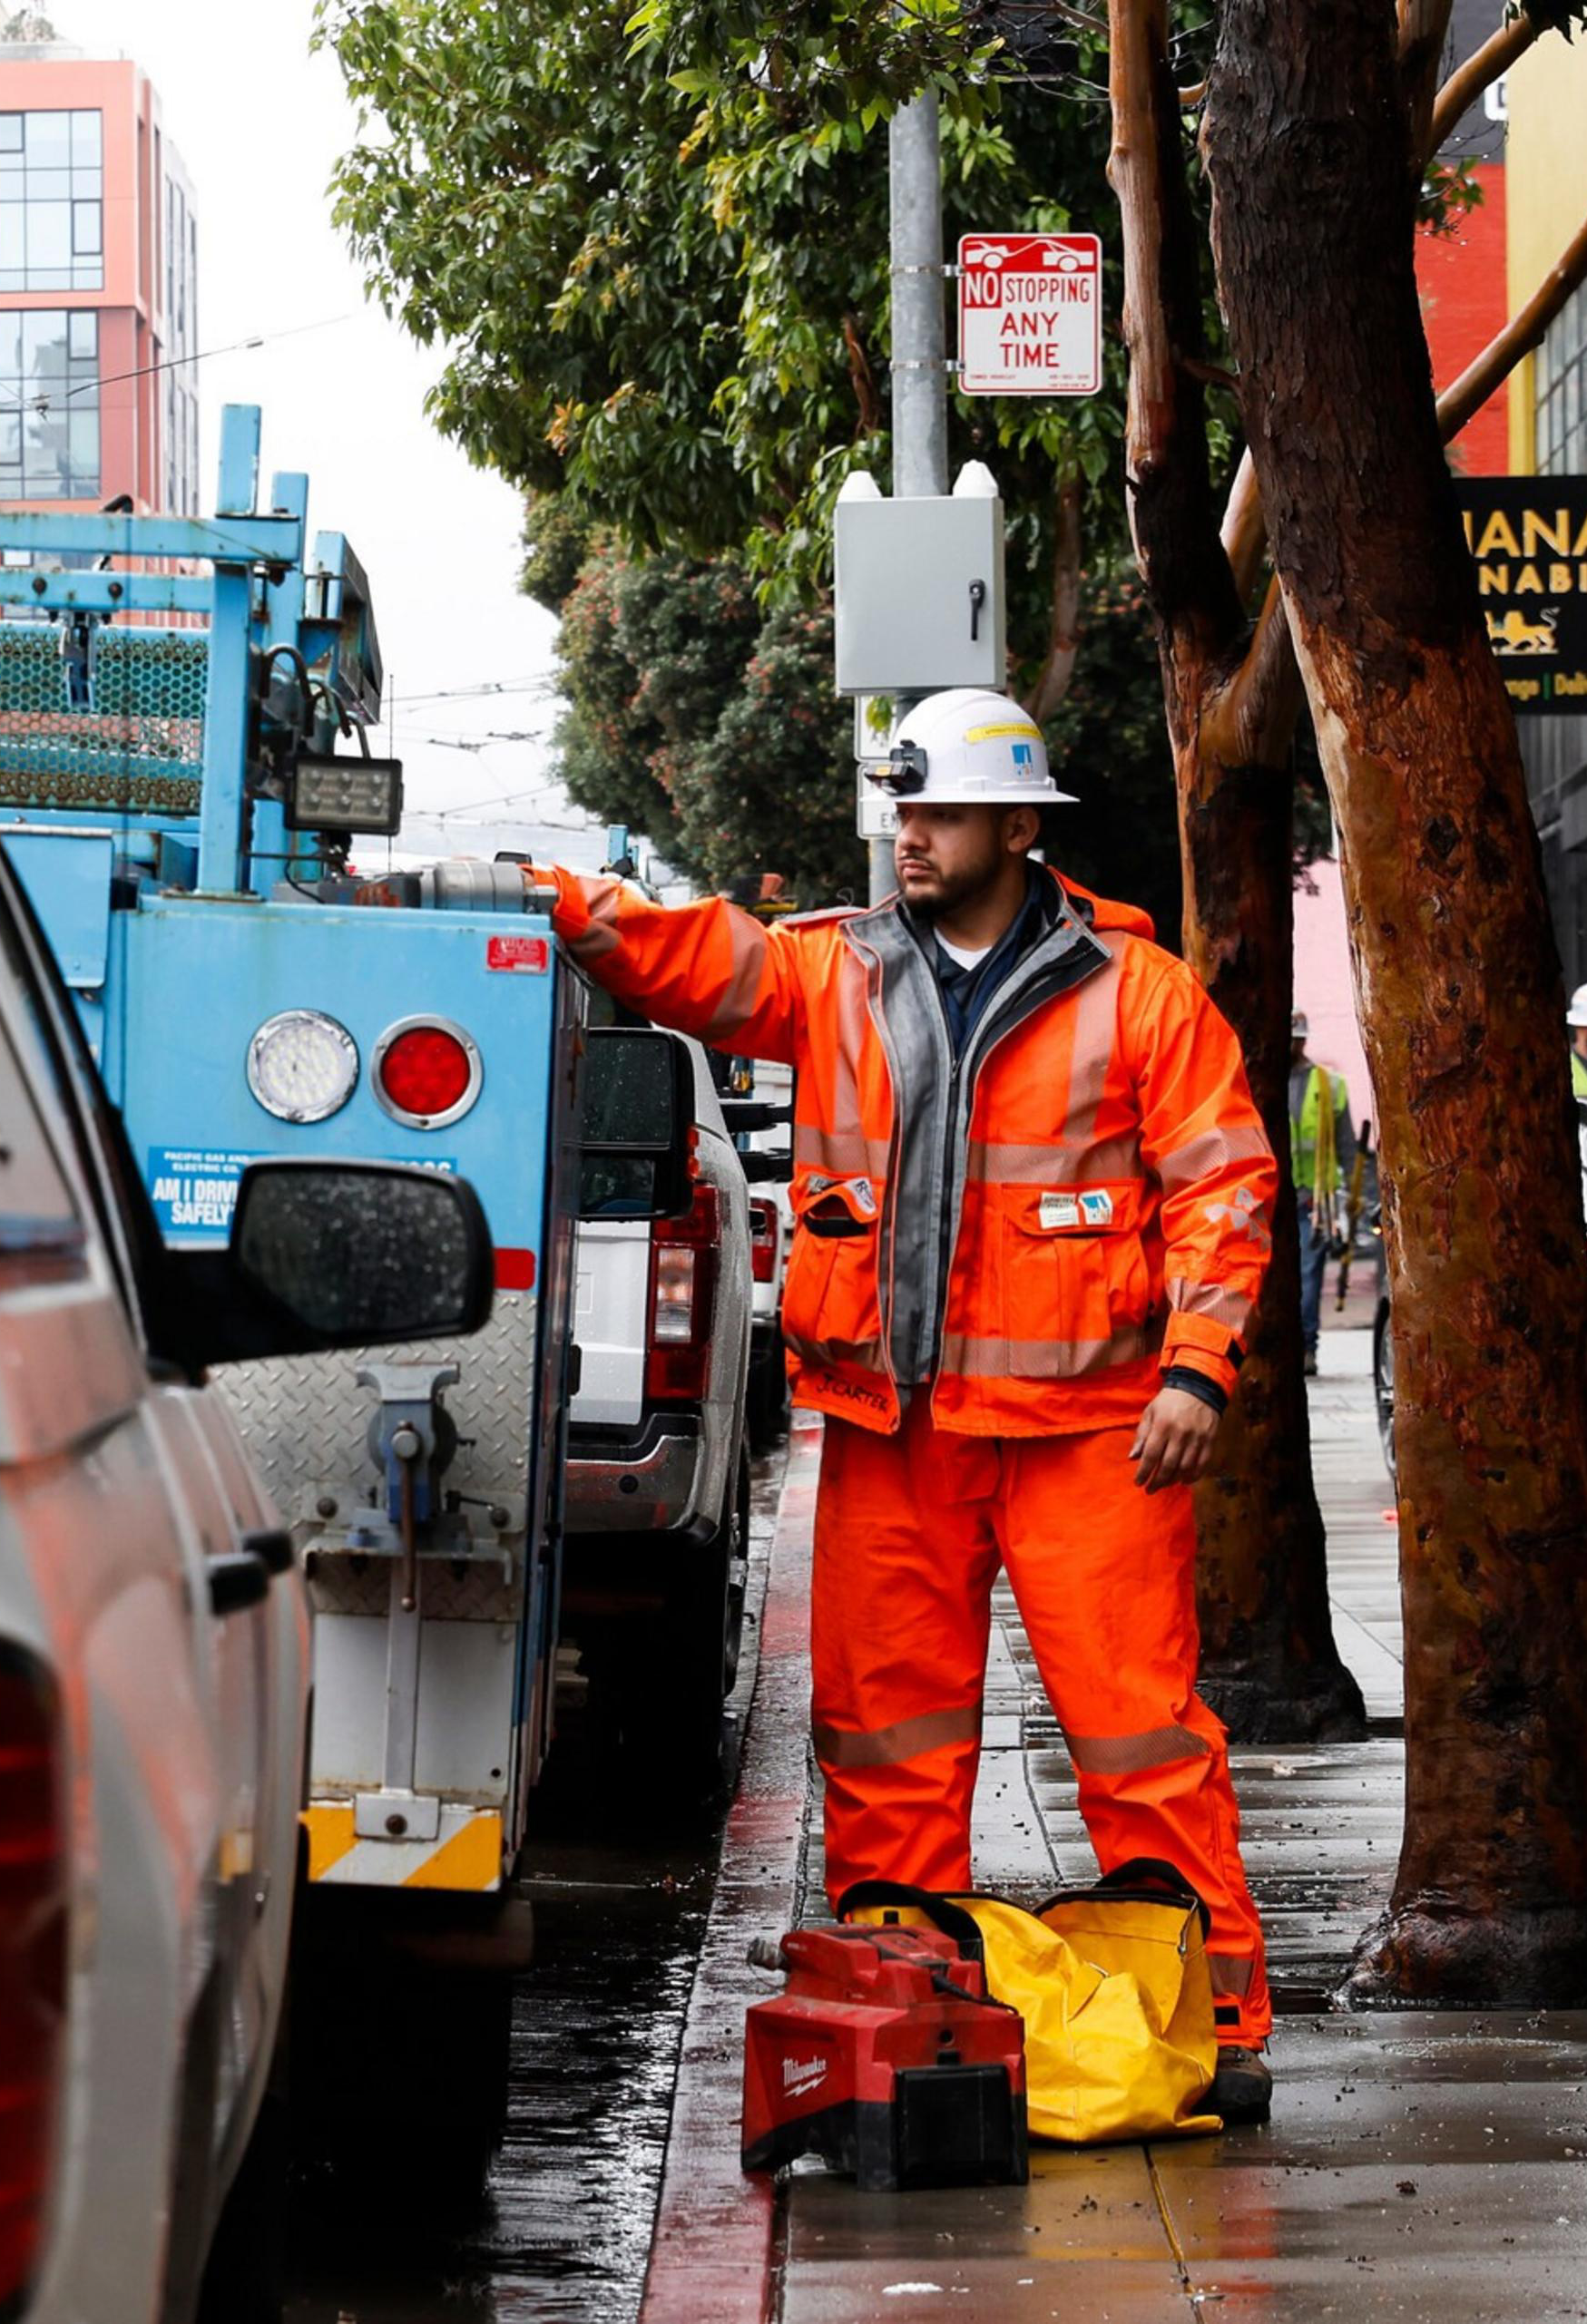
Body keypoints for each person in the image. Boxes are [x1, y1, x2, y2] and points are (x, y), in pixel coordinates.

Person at [532, 687, 1280, 2124]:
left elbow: (1225, 1184)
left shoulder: (1140, 992)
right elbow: (694, 961)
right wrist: (561, 900)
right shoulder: (836, 974)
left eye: (937, 811)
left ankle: (1220, 2018)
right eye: (903, 808)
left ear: (1018, 824)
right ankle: (905, 2013)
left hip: (1090, 1431)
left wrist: (1198, 1366)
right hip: (895, 1433)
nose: (909, 834)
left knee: (1138, 1739)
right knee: (886, 1741)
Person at [1288, 1015, 1354, 1374]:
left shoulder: (1328, 1086)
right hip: (1272, 1196)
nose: (1294, 1045)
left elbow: (1344, 1145)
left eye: (1298, 1039)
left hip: (1315, 1199)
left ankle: (1306, 1346)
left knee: (1309, 1274)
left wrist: (1345, 1200)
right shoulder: (1256, 1075)